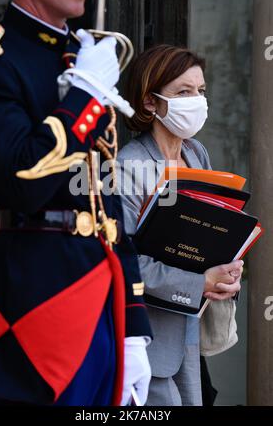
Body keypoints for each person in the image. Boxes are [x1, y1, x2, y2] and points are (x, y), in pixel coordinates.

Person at [0, 0, 152, 406]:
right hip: (36, 300)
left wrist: (133, 330)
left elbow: (103, 202)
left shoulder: (84, 53)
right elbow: (20, 182)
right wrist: (86, 95)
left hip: (101, 293)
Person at [117, 45, 243, 406]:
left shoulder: (196, 153)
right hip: (151, 338)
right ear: (149, 102)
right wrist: (198, 281)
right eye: (183, 92)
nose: (196, 101)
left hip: (191, 332)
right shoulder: (127, 168)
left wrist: (228, 266)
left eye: (200, 91)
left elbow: (208, 229)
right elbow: (124, 264)